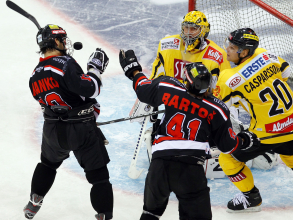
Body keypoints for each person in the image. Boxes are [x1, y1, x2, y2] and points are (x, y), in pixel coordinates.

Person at [119, 49, 260, 220]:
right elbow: (228, 145)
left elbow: (143, 90)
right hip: (190, 169)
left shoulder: (168, 86)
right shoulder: (217, 108)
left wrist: (134, 70)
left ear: (187, 81)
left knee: (150, 214)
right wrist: (245, 139)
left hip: (159, 165)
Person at [214, 27, 293, 212]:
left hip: (266, 133)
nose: (227, 48)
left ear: (244, 52)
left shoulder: (228, 77)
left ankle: (251, 198)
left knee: (228, 160)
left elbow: (219, 106)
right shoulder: (265, 55)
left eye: (232, 47)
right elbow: (285, 73)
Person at [24, 24, 113, 220]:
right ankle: (104, 215)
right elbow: (91, 88)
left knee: (47, 164)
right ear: (55, 41)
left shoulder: (34, 74)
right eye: (62, 39)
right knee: (99, 179)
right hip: (81, 131)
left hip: (52, 131)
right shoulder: (65, 63)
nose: (65, 42)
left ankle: (34, 202)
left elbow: (43, 102)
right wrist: (94, 68)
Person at [130, 10, 231, 167]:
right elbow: (156, 77)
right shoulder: (167, 45)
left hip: (200, 104)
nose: (189, 33)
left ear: (204, 30)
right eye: (186, 28)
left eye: (194, 29)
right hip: (173, 100)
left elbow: (221, 92)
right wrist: (151, 103)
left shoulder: (218, 56)